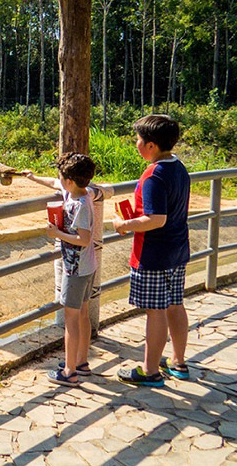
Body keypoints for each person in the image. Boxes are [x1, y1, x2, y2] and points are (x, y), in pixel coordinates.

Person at [113, 114, 191, 387]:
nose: (136, 143)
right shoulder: (177, 166)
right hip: (177, 249)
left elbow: (156, 219)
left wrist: (125, 224)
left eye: (138, 139)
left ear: (150, 146)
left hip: (154, 253)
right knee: (175, 305)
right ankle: (178, 362)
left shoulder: (154, 175)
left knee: (155, 311)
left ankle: (149, 371)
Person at [25, 152, 98, 387]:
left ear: (70, 181)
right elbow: (55, 182)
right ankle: (82, 362)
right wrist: (34, 178)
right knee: (83, 315)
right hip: (86, 267)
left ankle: (70, 371)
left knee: (72, 320)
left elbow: (84, 239)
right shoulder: (78, 192)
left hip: (75, 269)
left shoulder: (81, 205)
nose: (59, 181)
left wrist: (57, 234)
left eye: (62, 178)